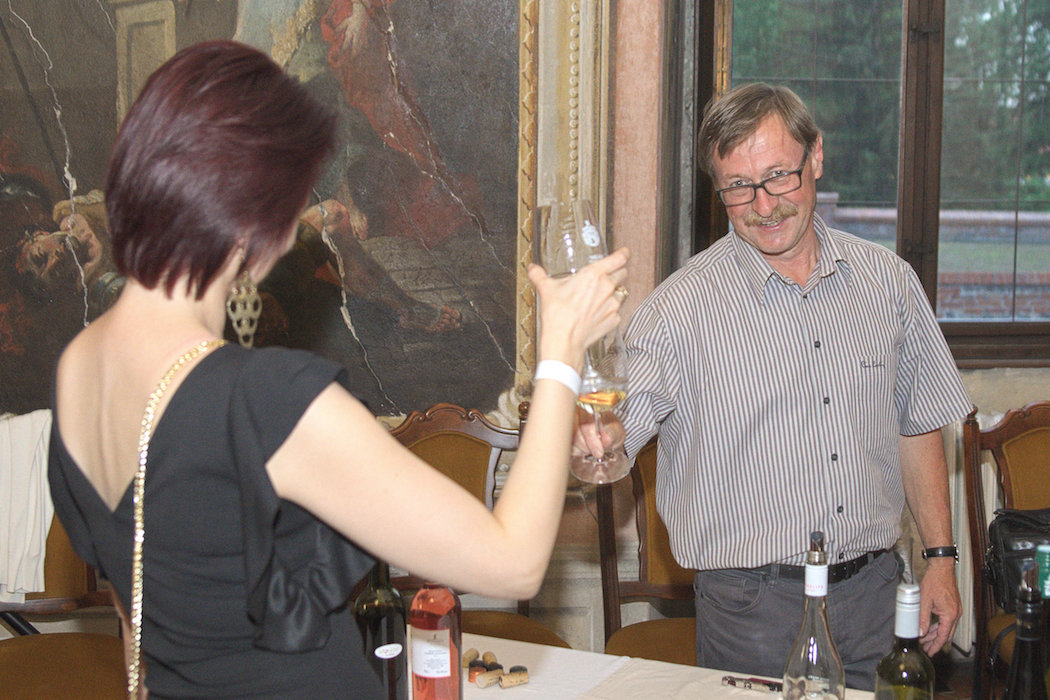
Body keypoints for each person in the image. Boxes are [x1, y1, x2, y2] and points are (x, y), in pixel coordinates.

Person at [47, 41, 628, 698]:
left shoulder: (76, 372)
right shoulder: (264, 401)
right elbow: (513, 561)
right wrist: (561, 351)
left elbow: (139, 618)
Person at [599, 83, 971, 690]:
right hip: (751, 610)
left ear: (815, 156)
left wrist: (941, 560)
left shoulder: (889, 284)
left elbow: (919, 421)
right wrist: (580, 431)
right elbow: (609, 441)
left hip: (874, 597)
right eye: (738, 187)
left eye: (778, 176)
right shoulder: (677, 312)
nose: (763, 205)